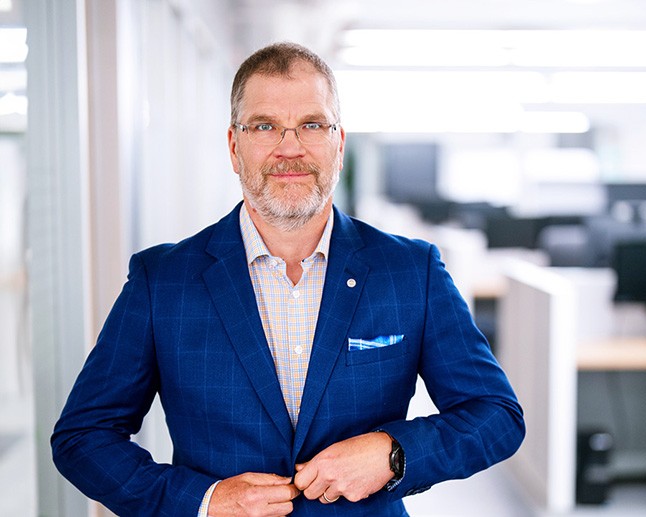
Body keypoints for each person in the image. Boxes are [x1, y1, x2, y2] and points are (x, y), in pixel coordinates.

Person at [51, 42, 525, 517]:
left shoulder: (411, 271)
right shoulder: (163, 281)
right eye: (265, 126)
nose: (290, 147)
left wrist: (393, 453)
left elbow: (496, 416)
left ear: (339, 145)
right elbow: (83, 437)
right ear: (235, 147)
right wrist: (203, 500)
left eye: (312, 125)